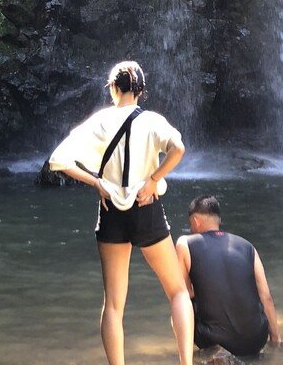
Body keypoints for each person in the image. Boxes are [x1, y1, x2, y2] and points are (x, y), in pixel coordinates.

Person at [49, 60, 193, 365]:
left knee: (113, 304)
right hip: (146, 206)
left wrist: (97, 183)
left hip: (111, 211)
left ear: (114, 88)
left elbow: (58, 161)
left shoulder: (100, 121)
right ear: (141, 90)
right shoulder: (152, 120)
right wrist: (153, 180)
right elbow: (179, 147)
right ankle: (186, 363)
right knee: (178, 291)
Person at [175, 195, 281, 356]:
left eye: (191, 224)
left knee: (179, 299)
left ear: (195, 221)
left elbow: (184, 292)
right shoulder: (247, 246)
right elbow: (266, 297)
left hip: (213, 340)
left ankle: (187, 359)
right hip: (256, 340)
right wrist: (276, 339)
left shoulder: (185, 243)